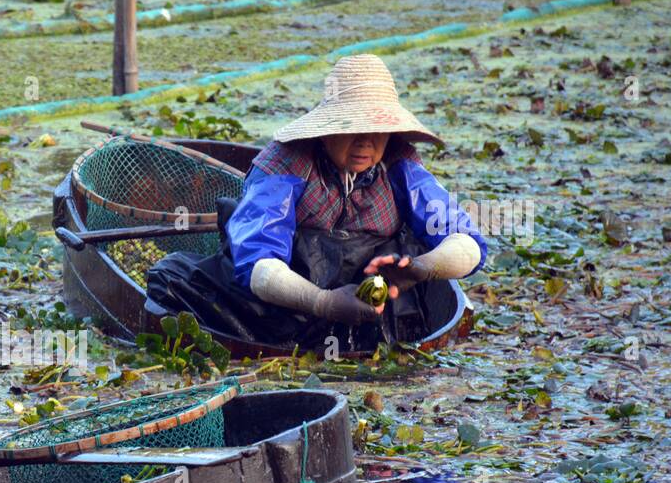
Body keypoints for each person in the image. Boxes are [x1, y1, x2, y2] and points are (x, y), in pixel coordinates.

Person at [146, 53, 487, 350]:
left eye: (375, 130)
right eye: (352, 127)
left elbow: (466, 243)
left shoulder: (400, 165)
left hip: (378, 307)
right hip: (286, 307)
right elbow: (259, 263)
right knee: (170, 277)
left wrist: (419, 269)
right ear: (327, 129)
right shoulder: (284, 166)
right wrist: (322, 302)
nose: (364, 142)